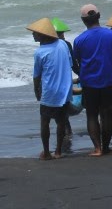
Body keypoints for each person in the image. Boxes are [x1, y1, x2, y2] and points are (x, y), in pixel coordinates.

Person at [73, 4, 112, 157]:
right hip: (110, 80)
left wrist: (83, 73)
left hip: (89, 82)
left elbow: (77, 62)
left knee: (92, 115)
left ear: (83, 20)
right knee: (107, 114)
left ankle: (97, 148)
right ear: (99, 16)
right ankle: (106, 147)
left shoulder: (79, 40)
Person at [28, 18, 73, 160]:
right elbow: (70, 64)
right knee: (61, 121)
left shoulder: (40, 52)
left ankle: (47, 152)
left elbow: (37, 75)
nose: (33, 35)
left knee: (45, 121)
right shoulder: (63, 44)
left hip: (50, 92)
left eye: (36, 33)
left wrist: (36, 90)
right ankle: (58, 151)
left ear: (44, 35)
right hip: (65, 90)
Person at [51, 17, 77, 137]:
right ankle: (67, 129)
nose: (62, 36)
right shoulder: (66, 45)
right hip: (65, 80)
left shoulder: (46, 45)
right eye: (61, 33)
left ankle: (66, 130)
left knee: (59, 109)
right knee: (64, 106)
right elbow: (73, 65)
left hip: (52, 82)